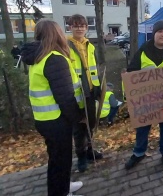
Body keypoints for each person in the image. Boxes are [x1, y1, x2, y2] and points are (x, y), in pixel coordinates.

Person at [21, 19, 83, 196]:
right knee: (60, 160)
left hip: (45, 120)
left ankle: (63, 185)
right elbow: (64, 97)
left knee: (58, 158)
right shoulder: (54, 59)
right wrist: (78, 117)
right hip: (56, 120)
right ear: (57, 34)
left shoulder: (39, 58)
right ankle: (60, 192)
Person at [125, 20, 163, 171]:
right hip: (146, 102)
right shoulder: (143, 51)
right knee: (142, 129)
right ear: (154, 33)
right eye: (160, 31)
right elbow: (131, 72)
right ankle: (139, 153)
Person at [67, 14, 103, 173]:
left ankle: (89, 150)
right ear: (70, 28)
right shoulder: (66, 46)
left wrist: (97, 87)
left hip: (90, 91)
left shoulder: (91, 46)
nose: (79, 28)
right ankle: (81, 156)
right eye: (76, 26)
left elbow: (94, 69)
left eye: (82, 26)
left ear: (86, 28)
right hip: (75, 94)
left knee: (91, 123)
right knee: (78, 127)